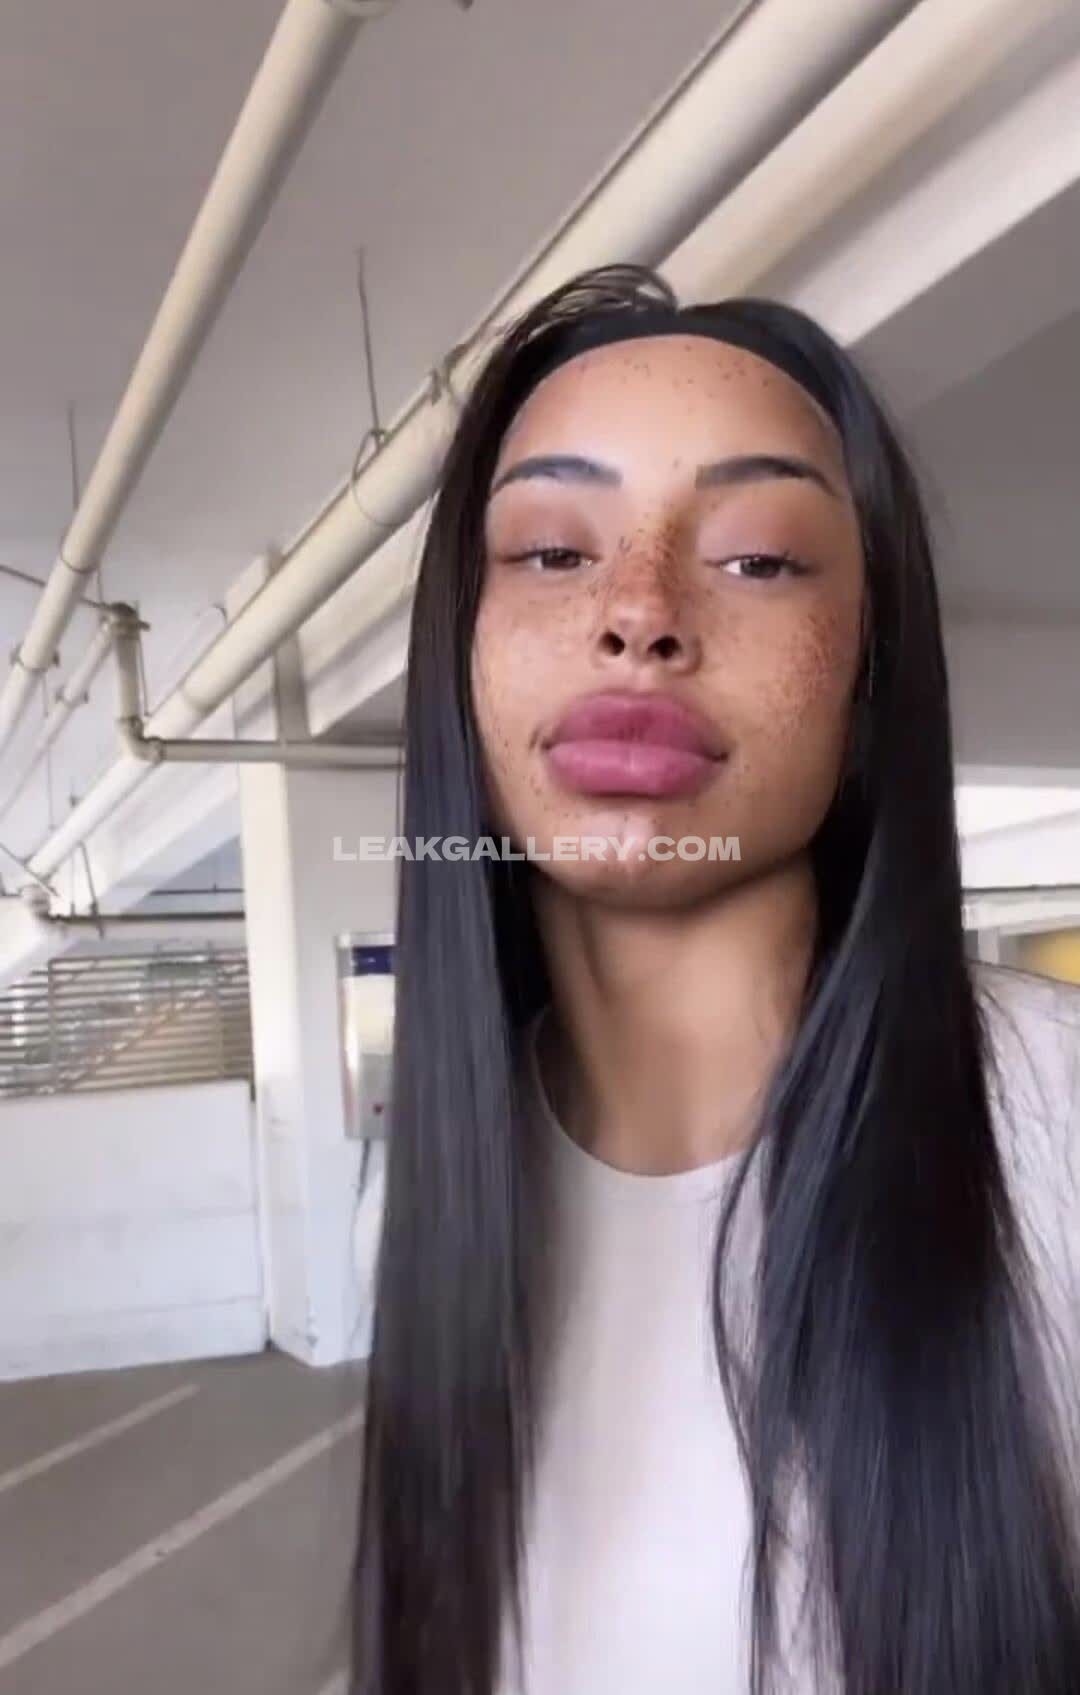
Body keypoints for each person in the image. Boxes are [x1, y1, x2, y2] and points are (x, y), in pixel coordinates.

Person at [349, 264, 1080, 1695]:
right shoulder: (424, 1194)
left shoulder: (1058, 1124)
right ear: (462, 655)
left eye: (758, 558)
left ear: (870, 671)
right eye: (549, 552)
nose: (639, 611)